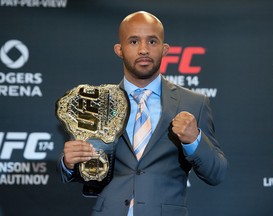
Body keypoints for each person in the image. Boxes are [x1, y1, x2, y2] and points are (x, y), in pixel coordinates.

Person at [58, 11, 227, 216]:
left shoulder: (193, 103)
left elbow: (216, 173)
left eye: (152, 41)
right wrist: (68, 163)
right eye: (134, 41)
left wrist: (194, 140)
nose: (144, 50)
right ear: (119, 49)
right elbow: (86, 171)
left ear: (165, 49)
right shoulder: (97, 102)